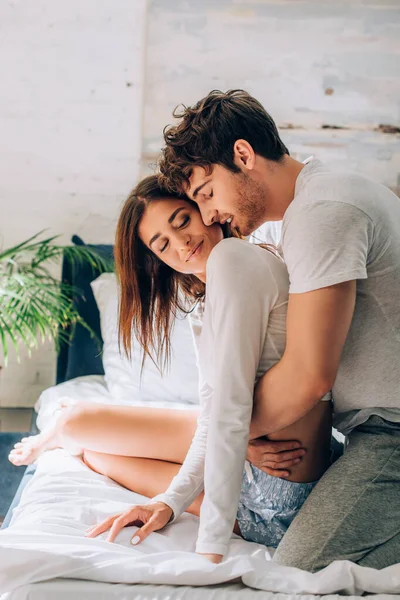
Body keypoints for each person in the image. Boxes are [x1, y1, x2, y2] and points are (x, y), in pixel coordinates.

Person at [9, 176, 333, 562]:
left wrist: (209, 554)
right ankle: (62, 435)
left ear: (206, 210)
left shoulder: (244, 263)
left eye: (181, 221)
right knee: (92, 452)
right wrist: (168, 503)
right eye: (162, 244)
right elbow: (220, 409)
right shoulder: (207, 299)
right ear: (157, 259)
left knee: (80, 429)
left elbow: (227, 412)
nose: (181, 243)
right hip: (253, 478)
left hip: (272, 500)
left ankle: (62, 433)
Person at [157, 89, 400, 571]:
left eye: (206, 193)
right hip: (369, 430)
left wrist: (230, 436)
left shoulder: (322, 212)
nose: (208, 217)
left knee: (295, 571)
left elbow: (309, 377)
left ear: (243, 155)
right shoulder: (313, 206)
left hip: (390, 433)